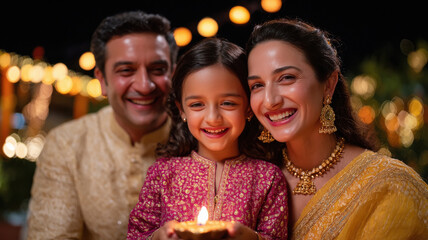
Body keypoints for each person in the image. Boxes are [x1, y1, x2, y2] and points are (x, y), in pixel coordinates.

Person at [246, 18, 428, 239]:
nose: (270, 100)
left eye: (286, 78)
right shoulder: (251, 183)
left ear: (329, 84)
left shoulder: (391, 187)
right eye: (257, 85)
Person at [27, 11, 178, 240]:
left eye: (158, 70)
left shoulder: (203, 138)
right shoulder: (67, 144)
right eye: (126, 70)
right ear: (102, 80)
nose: (145, 85)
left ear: (173, 75)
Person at [127, 38, 288, 240]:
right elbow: (137, 234)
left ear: (248, 107)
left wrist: (252, 238)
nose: (213, 118)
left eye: (228, 103)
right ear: (181, 109)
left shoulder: (267, 178)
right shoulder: (163, 173)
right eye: (197, 105)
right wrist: (156, 237)